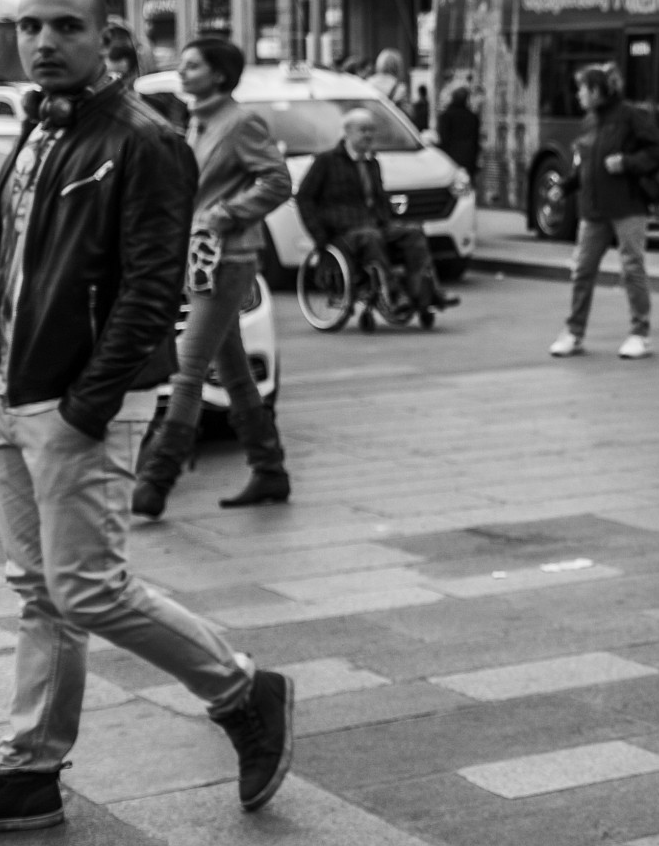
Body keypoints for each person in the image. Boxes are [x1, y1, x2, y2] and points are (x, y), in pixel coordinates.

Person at [0, 0, 295, 836]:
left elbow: (152, 288)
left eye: (65, 26)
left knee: (89, 589)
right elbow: (2, 265)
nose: (42, 42)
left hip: (75, 401)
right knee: (41, 592)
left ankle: (240, 690)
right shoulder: (41, 127)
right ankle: (33, 769)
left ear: (105, 35)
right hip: (12, 393)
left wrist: (89, 402)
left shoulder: (143, 140)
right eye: (29, 26)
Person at [132, 36, 295, 517]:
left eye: (192, 65)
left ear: (219, 74)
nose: (182, 72)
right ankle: (270, 471)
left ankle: (156, 480)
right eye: (181, 64)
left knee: (187, 367)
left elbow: (278, 180)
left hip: (229, 258)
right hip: (200, 259)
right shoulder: (198, 122)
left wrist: (227, 214)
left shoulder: (242, 122)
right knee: (233, 370)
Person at [549, 64, 659, 360]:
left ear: (597, 91)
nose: (578, 95)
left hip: (628, 207)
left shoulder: (630, 117)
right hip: (593, 210)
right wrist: (565, 186)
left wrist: (627, 163)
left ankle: (640, 333)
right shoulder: (590, 122)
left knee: (632, 268)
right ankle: (574, 332)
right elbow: (584, 165)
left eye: (583, 89)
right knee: (582, 270)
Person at [294, 108, 446, 320]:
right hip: (342, 231)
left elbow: (380, 199)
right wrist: (319, 235)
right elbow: (305, 198)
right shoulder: (326, 162)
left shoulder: (371, 163)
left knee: (413, 233)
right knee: (370, 237)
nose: (368, 135)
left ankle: (425, 292)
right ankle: (393, 294)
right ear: (347, 132)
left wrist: (389, 221)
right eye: (363, 130)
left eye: (371, 131)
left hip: (374, 225)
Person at [436, 82, 482, 181]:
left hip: (451, 161)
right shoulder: (473, 117)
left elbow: (443, 139)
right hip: (469, 161)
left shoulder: (446, 116)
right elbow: (476, 141)